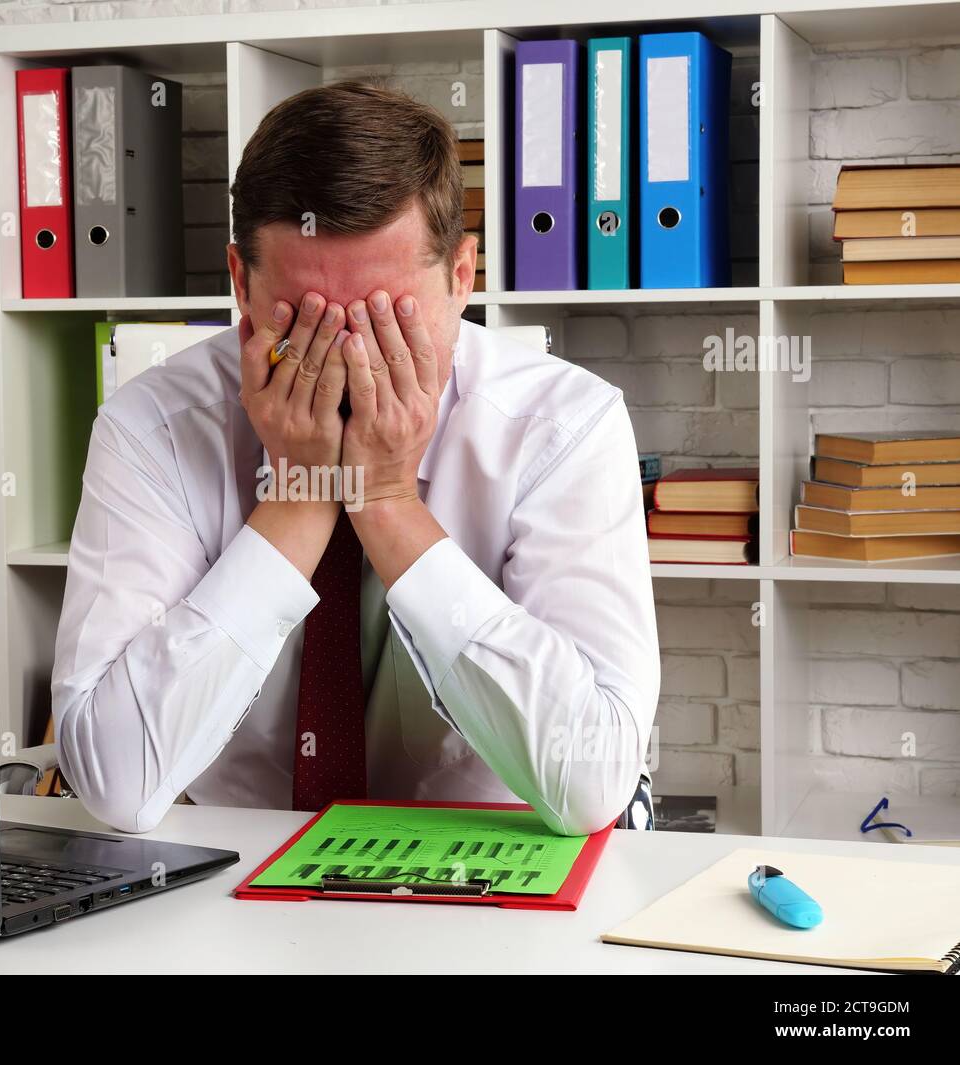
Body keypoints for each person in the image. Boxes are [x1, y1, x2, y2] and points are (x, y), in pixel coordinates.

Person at [51, 81, 660, 836]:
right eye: (304, 321)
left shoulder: (564, 426)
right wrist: (301, 497)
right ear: (241, 284)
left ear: (461, 279)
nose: (344, 360)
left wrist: (386, 500)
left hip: (485, 867)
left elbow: (592, 780)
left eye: (384, 319)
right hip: (238, 871)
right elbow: (114, 781)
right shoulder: (152, 429)